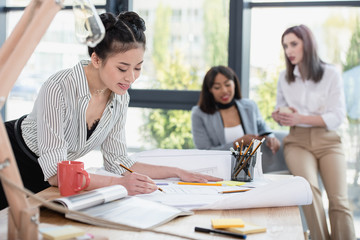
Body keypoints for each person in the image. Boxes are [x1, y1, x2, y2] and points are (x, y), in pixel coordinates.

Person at [0, 11, 221, 210]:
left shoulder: (119, 97)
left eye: (138, 67)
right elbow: (57, 173)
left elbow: (118, 162)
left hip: (54, 178)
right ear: (96, 58)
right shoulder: (59, 87)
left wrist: (176, 171)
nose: (131, 77)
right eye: (122, 68)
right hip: (12, 157)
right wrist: (119, 184)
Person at [272, 24, 355, 240]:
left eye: (293, 44)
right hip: (297, 141)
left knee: (339, 199)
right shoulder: (285, 77)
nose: (288, 50)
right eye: (285, 46)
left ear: (307, 44)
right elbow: (282, 112)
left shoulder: (330, 74)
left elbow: (337, 117)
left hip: (328, 141)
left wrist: (301, 118)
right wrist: (280, 116)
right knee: (309, 192)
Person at [191, 65, 280, 154]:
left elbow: (263, 129)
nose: (224, 90)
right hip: (219, 166)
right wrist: (237, 144)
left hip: (252, 165)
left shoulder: (250, 106)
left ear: (234, 84)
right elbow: (204, 151)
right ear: (209, 90)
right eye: (217, 87)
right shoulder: (199, 114)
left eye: (228, 84)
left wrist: (271, 138)